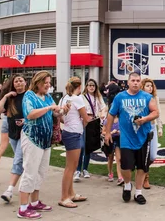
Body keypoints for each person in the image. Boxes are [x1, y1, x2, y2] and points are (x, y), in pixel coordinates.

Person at [104, 72, 159, 205]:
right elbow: (111, 114)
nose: (135, 83)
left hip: (143, 137)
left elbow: (156, 112)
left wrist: (145, 119)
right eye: (133, 80)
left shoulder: (147, 97)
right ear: (128, 82)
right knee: (126, 166)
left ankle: (138, 192)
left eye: (138, 80)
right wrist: (107, 132)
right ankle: (127, 185)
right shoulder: (120, 97)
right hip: (126, 138)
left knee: (142, 167)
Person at [17, 70, 66, 219]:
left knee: (41, 171)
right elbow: (30, 114)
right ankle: (23, 207)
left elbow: (54, 114)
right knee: (30, 171)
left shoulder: (48, 97)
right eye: (45, 83)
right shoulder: (29, 96)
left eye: (49, 83)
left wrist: (62, 111)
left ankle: (35, 201)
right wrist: (49, 108)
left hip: (45, 139)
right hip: (32, 138)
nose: (48, 86)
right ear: (37, 82)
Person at [58, 77, 90, 208]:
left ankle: (71, 193)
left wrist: (69, 123)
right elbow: (86, 117)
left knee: (72, 165)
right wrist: (81, 124)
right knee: (70, 167)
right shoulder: (77, 98)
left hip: (68, 131)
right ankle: (64, 197)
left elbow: (60, 117)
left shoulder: (64, 98)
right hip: (74, 134)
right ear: (80, 86)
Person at [0, 74, 27, 203]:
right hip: (13, 133)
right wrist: (5, 96)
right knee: (21, 160)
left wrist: (26, 120)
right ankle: (28, 182)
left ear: (25, 83)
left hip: (25, 133)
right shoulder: (11, 98)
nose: (18, 83)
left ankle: (9, 190)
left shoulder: (29, 96)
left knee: (18, 160)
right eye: (16, 81)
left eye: (21, 80)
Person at [77, 78, 106, 180]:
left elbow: (103, 107)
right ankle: (77, 170)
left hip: (93, 123)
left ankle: (85, 169)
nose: (91, 87)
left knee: (89, 147)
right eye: (89, 85)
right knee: (81, 147)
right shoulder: (82, 97)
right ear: (86, 86)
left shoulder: (98, 97)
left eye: (93, 85)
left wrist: (102, 114)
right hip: (83, 122)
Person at [141, 78, 162, 189]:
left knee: (153, 156)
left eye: (151, 85)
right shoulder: (140, 98)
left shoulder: (155, 98)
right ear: (143, 87)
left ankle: (142, 171)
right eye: (147, 85)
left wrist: (160, 128)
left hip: (152, 127)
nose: (150, 87)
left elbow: (159, 113)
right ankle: (145, 177)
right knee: (145, 154)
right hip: (143, 128)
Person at [103, 113, 123, 185]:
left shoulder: (120, 120)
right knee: (110, 158)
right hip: (110, 140)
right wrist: (111, 132)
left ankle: (120, 177)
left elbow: (123, 130)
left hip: (117, 139)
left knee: (118, 159)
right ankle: (110, 173)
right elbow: (103, 132)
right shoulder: (107, 121)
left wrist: (119, 132)